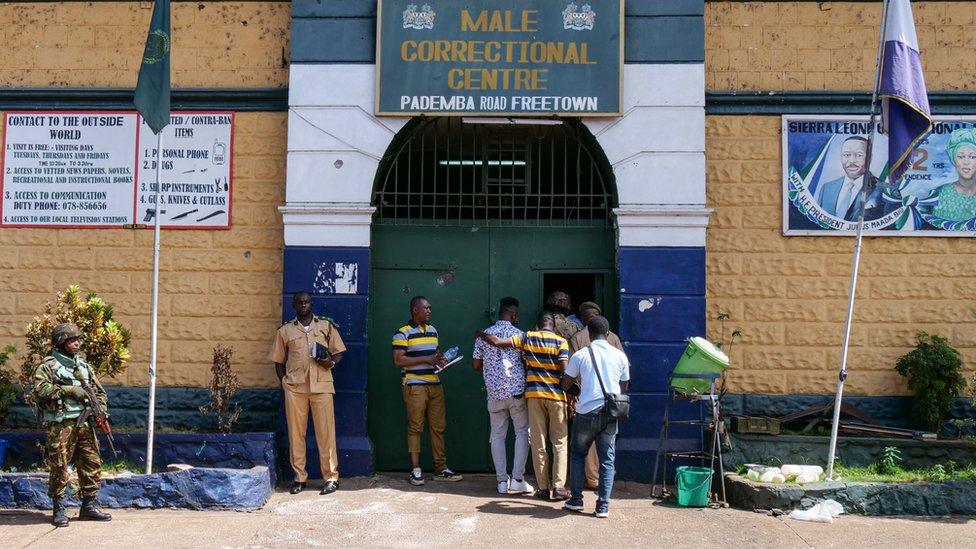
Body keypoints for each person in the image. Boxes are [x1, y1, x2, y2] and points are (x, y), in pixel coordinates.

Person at [478, 312, 571, 500]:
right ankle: (559, 487)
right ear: (553, 325)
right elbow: (565, 370)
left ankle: (543, 488)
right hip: (557, 397)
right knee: (559, 442)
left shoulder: (527, 337)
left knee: (539, 443)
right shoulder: (561, 342)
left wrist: (481, 334)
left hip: (534, 396)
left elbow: (497, 342)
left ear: (538, 326)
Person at [31, 322, 112, 527]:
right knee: (59, 465)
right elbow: (41, 392)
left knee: (91, 462)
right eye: (71, 340)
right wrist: (68, 390)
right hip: (60, 424)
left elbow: (99, 392)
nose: (76, 343)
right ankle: (59, 507)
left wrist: (99, 408)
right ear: (61, 342)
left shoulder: (83, 366)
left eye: (77, 340)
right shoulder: (47, 366)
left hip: (84, 423)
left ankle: (89, 505)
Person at [270, 292, 346, 495]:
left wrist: (330, 362)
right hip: (295, 388)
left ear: (311, 303)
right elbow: (278, 361)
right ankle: (299, 477)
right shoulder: (285, 330)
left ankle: (331, 477)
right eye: (299, 302)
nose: (303, 305)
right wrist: (284, 382)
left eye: (306, 302)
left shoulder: (325, 326)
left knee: (326, 433)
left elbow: (338, 352)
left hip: (321, 386)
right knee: (296, 434)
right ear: (294, 305)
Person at [561, 315, 630, 519]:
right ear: (607, 334)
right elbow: (624, 385)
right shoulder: (620, 356)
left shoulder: (581, 355)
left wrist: (578, 390)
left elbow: (566, 384)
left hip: (586, 413)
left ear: (588, 334)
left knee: (577, 454)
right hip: (610, 413)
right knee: (607, 459)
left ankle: (576, 500)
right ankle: (603, 506)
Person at [393, 296, 463, 486]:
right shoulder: (402, 333)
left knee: (438, 428)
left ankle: (441, 468)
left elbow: (434, 356)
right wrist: (426, 359)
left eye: (430, 308)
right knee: (416, 427)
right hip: (415, 385)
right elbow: (398, 360)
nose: (429, 311)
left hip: (435, 384)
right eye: (426, 308)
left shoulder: (433, 331)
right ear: (415, 310)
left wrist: (443, 362)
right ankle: (416, 470)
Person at [472, 297, 534, 495]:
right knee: (522, 433)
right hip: (516, 392)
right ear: (514, 314)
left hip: (494, 392)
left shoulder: (484, 335)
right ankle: (517, 480)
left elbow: (476, 365)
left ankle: (501, 482)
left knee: (497, 435)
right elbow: (527, 363)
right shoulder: (520, 335)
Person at [567, 302, 624, 490]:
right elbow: (625, 377)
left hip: (586, 402)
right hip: (611, 404)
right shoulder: (614, 338)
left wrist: (573, 394)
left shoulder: (577, 338)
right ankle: (603, 501)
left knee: (582, 451)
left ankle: (590, 481)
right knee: (608, 455)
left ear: (583, 318)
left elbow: (569, 377)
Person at [815, 136, 884, 221]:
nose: (852, 161)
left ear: (870, 158)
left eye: (859, 155)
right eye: (847, 155)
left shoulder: (883, 190)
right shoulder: (827, 188)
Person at [931, 127, 976, 221]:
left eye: (972, 157)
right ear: (953, 160)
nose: (966, 162)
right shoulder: (941, 193)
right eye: (960, 157)